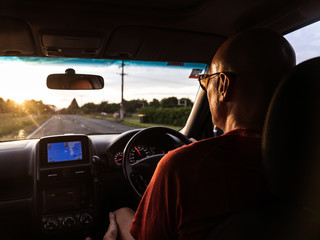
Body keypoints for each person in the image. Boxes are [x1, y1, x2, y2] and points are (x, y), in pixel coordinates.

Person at [104, 28, 296, 240]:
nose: (206, 86)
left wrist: (190, 157)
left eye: (206, 80)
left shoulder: (181, 167)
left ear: (223, 85)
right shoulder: (307, 155)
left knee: (121, 213)